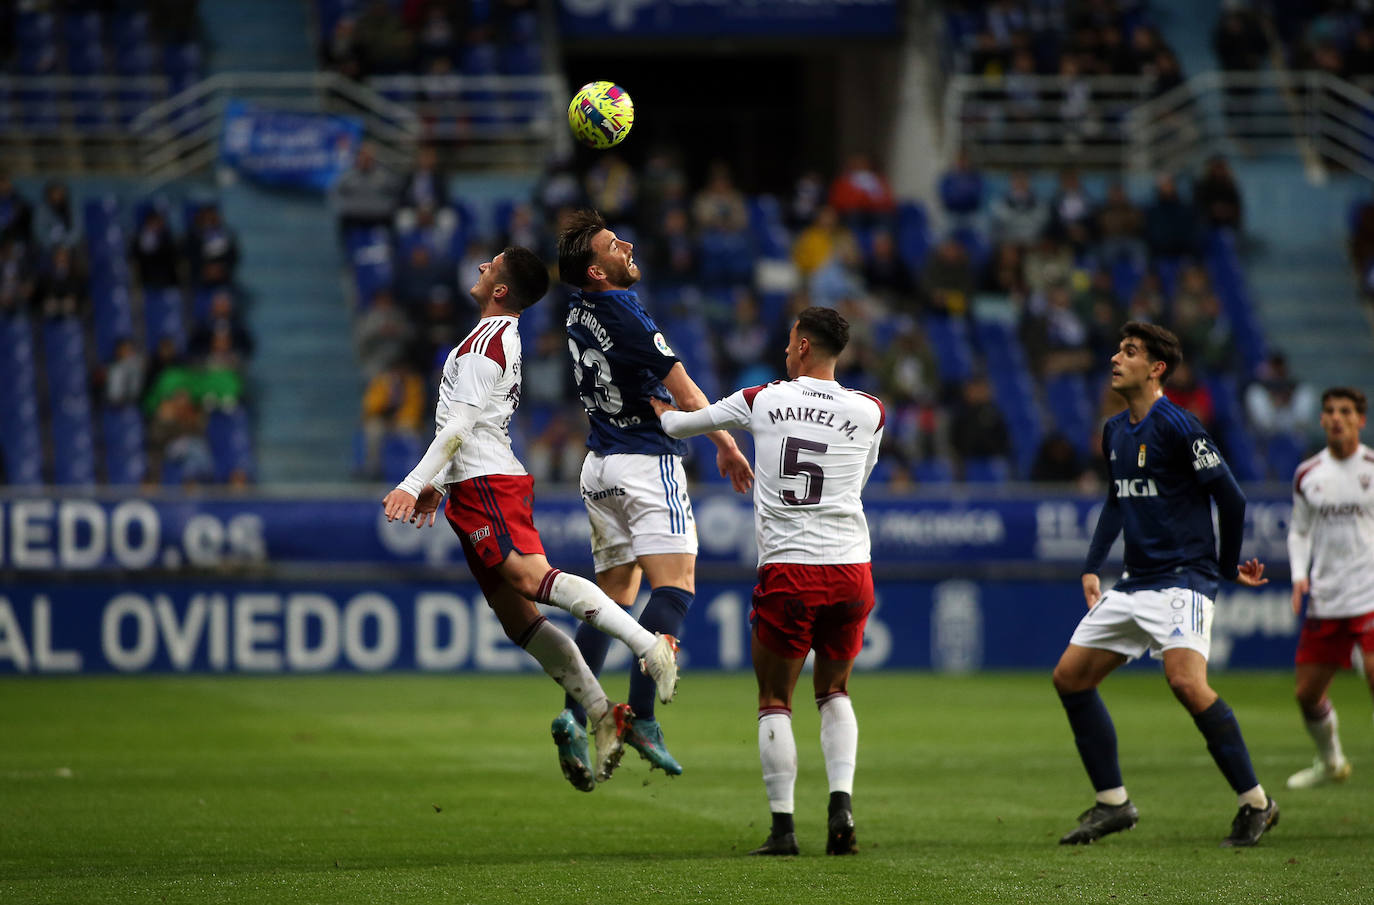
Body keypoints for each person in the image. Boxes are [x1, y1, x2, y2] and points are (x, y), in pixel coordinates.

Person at [381, 246, 681, 790]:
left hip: (488, 482)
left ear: (500, 289)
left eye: (489, 265)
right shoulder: (489, 339)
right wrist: (439, 485)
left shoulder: (487, 342)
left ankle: (647, 646)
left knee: (528, 577)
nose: (479, 266)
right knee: (518, 618)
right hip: (469, 485)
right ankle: (601, 714)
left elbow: (461, 428)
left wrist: (412, 481)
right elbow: (460, 425)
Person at [649, 306, 883, 857]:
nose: (784, 350)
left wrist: (656, 404)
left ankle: (783, 829)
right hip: (852, 568)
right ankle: (842, 805)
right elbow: (861, 480)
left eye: (788, 341)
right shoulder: (871, 410)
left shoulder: (764, 398)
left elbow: (680, 425)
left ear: (802, 346)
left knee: (775, 698)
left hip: (790, 569)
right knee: (835, 691)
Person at [1051, 321, 1278, 848]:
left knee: (1185, 683)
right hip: (1135, 583)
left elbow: (1233, 498)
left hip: (1183, 578)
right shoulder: (1114, 430)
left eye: (1129, 352)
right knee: (1070, 679)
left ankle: (1256, 803)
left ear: (1155, 369)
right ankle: (1113, 804)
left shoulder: (1180, 425)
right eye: (1117, 348)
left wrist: (1222, 568)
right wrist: (1091, 565)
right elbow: (1117, 498)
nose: (1115, 358)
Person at [553, 209, 754, 783]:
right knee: (676, 587)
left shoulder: (578, 310)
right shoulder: (624, 312)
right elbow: (688, 392)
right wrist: (726, 446)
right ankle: (641, 716)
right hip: (643, 462)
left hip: (599, 467)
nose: (629, 245)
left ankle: (574, 716)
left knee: (612, 595)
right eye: (616, 245)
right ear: (597, 270)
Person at [1285, 387, 1374, 789]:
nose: (1336, 417)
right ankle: (1332, 762)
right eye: (1330, 411)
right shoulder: (1308, 474)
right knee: (1307, 695)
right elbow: (1299, 531)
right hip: (1327, 598)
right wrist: (1299, 575)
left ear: (1361, 420)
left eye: (1345, 411)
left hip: (1369, 594)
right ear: (1321, 420)